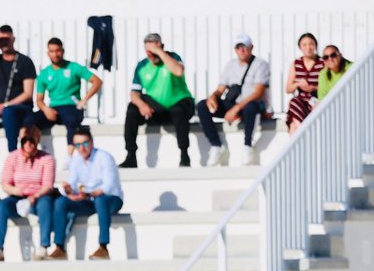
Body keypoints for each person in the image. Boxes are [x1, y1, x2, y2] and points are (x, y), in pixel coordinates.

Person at [122, 32, 197, 169]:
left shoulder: (172, 57)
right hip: (158, 109)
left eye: (154, 52)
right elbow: (134, 93)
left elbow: (178, 71)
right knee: (132, 108)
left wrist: (159, 52)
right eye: (149, 52)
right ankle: (131, 155)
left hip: (180, 104)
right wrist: (142, 105)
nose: (152, 56)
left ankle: (184, 155)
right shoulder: (142, 66)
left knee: (178, 111)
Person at [48, 125, 124, 260]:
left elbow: (108, 187)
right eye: (77, 145)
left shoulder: (104, 157)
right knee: (61, 202)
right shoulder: (76, 160)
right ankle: (59, 247)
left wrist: (85, 194)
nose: (81, 148)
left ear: (92, 142)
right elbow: (74, 184)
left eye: (85, 143)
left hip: (111, 199)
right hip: (89, 200)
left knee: (101, 200)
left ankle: (103, 247)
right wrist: (70, 191)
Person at [197, 33, 272, 167]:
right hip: (234, 105)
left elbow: (258, 92)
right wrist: (213, 98)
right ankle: (216, 146)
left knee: (251, 107)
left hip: (252, 105)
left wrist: (236, 109)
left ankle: (247, 145)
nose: (242, 50)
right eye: (239, 47)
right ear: (235, 50)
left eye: (245, 47)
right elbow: (220, 89)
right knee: (202, 105)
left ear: (251, 47)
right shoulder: (230, 65)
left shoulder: (261, 64)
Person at [0, 125, 56, 262]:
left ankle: (43, 246)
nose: (29, 144)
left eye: (32, 141)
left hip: (38, 196)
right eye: (26, 141)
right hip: (17, 196)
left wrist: (34, 196)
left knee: (45, 205)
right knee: (1, 207)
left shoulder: (46, 159)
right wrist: (15, 190)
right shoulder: (13, 157)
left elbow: (48, 185)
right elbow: (5, 183)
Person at [28, 37, 102, 148]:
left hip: (71, 107)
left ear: (62, 51)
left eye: (58, 50)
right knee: (30, 120)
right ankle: (30, 153)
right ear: (48, 53)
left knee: (71, 120)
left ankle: (70, 157)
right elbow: (39, 100)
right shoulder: (44, 74)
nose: (55, 54)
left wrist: (84, 100)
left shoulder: (74, 67)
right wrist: (46, 109)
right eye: (52, 51)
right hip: (53, 109)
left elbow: (97, 81)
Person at [285, 33, 324, 133]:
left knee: (294, 125)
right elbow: (288, 89)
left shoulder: (322, 62)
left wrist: (314, 88)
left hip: (316, 100)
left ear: (315, 45)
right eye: (304, 45)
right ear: (300, 47)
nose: (308, 47)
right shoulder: (296, 63)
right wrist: (298, 84)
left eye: (311, 44)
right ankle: (303, 132)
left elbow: (328, 86)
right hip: (301, 102)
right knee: (294, 103)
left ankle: (301, 134)